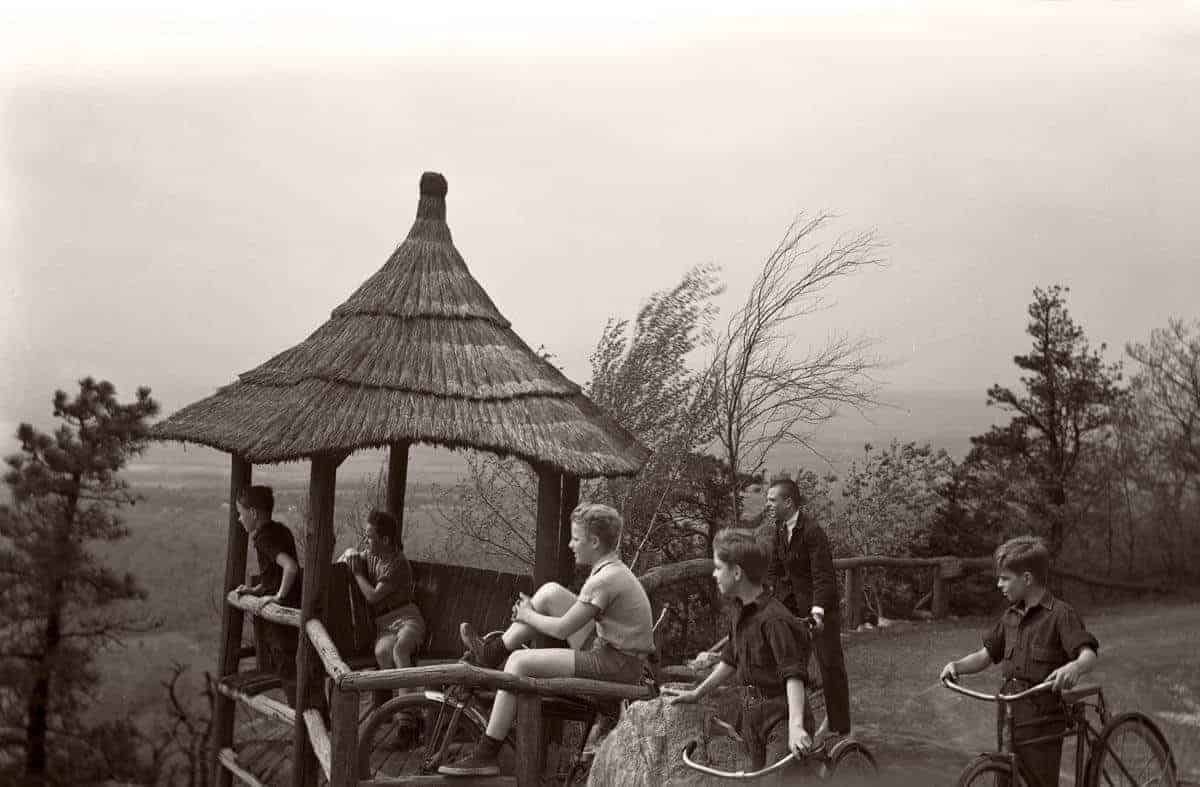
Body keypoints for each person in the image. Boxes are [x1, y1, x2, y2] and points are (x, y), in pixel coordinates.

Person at [439, 503, 655, 777]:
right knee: (550, 592)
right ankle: (492, 653)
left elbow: (563, 630)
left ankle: (486, 753)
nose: (570, 544)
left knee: (518, 663)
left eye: (576, 538)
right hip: (613, 650)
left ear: (595, 542)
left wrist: (528, 615)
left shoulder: (604, 580)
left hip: (616, 664)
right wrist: (532, 613)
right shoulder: (611, 569)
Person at [940, 535, 1099, 787]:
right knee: (1005, 776)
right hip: (1010, 712)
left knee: (1039, 781)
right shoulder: (1010, 617)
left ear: (1026, 579)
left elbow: (1088, 654)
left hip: (1043, 719)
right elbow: (985, 655)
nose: (999, 585)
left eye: (1005, 578)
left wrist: (1074, 667)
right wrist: (957, 666)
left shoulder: (1060, 614)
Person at [668, 528, 815, 778]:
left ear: (736, 572)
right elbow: (730, 659)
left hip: (781, 716)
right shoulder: (739, 612)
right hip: (751, 717)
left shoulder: (773, 619)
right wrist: (697, 692)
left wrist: (796, 725)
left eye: (718, 567)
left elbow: (794, 674)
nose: (714, 574)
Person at [758, 477, 851, 740]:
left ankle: (838, 726)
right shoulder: (779, 528)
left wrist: (818, 611)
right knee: (792, 664)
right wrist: (767, 600)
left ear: (788, 502)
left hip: (821, 610)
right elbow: (777, 571)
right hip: (794, 607)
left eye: (772, 500)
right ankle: (795, 722)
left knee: (830, 665)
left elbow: (823, 577)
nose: (768, 504)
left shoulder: (812, 531)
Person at [342, 509, 427, 737]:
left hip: (408, 618)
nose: (365, 540)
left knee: (401, 650)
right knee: (382, 652)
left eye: (369, 536)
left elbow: (372, 596)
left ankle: (405, 722)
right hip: (384, 625)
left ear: (385, 540)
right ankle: (413, 711)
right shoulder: (372, 555)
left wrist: (358, 574)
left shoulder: (397, 564)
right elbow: (348, 556)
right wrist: (350, 552)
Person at [233, 485, 303, 702]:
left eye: (241, 513)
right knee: (292, 668)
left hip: (282, 615)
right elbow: (273, 574)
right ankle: (310, 719)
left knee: (287, 668)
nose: (239, 519)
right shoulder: (280, 530)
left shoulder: (264, 538)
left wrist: (278, 597)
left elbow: (290, 567)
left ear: (253, 513)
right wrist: (254, 590)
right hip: (294, 608)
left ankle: (302, 721)